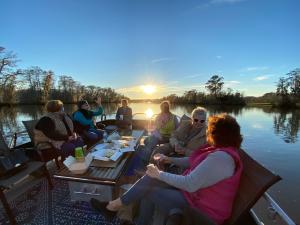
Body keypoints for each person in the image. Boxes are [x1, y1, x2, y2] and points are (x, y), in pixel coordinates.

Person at [90, 113, 244, 225]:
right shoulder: (219, 152)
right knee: (149, 179)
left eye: (210, 129)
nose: (208, 132)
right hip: (194, 195)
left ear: (217, 134)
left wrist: (160, 174)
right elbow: (192, 161)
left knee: (148, 189)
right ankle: (114, 207)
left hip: (203, 211)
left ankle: (114, 208)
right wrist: (169, 159)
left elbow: (190, 183)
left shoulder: (221, 159)